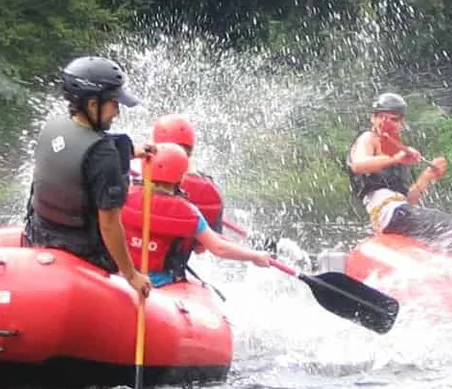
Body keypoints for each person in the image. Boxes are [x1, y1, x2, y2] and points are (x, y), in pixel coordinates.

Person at [21, 56, 153, 300]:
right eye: (114, 103)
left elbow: (78, 155)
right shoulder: (103, 155)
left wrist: (132, 150)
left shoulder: (54, 127)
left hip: (37, 237)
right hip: (81, 252)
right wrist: (132, 276)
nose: (117, 112)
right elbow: (109, 224)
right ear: (93, 104)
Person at [347, 92, 452, 258]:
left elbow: (408, 200)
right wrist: (395, 158)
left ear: (401, 123)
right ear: (373, 118)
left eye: (393, 119)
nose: (385, 123)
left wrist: (427, 176)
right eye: (381, 117)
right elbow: (358, 165)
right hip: (388, 214)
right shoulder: (368, 138)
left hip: (396, 213)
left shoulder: (395, 150)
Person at [123, 143, 269, 286]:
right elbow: (219, 248)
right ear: (180, 176)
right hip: (162, 285)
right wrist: (255, 256)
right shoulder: (190, 212)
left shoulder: (124, 197)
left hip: (123, 279)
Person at [150, 113, 226, 232]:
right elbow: (205, 247)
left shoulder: (140, 183)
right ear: (190, 150)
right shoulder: (211, 190)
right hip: (191, 248)